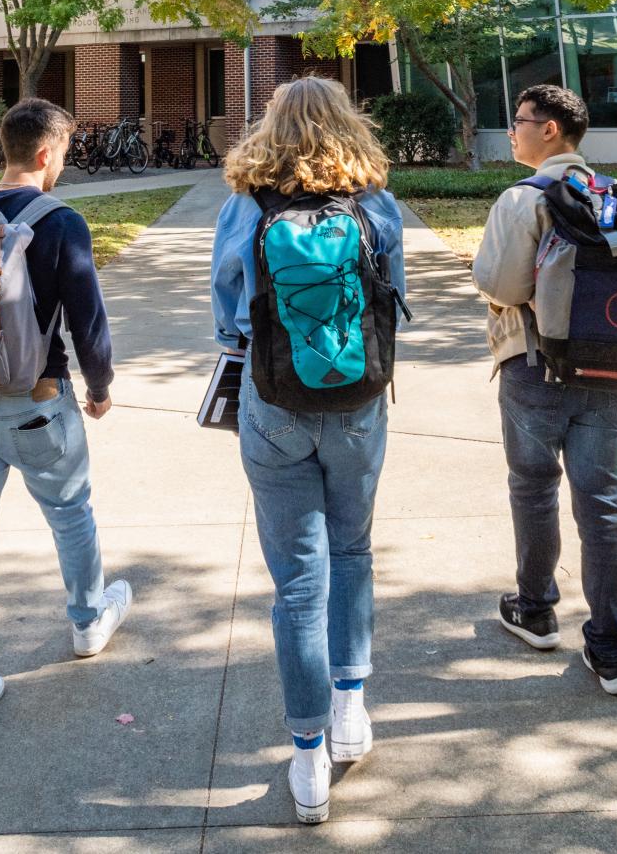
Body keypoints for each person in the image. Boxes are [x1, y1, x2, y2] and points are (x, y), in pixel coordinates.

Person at [211, 77, 405, 826]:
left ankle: (305, 756)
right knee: (351, 552)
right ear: (348, 126)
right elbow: (396, 302)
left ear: (269, 128)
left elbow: (227, 316)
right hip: (357, 404)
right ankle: (351, 707)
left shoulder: (244, 205)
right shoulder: (375, 203)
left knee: (297, 583)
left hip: (273, 403)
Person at [473, 83, 617, 697]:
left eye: (518, 121)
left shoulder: (524, 199)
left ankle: (537, 609)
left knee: (534, 487)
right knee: (603, 504)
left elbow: (499, 284)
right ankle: (611, 649)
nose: (511, 130)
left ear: (549, 130)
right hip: (616, 369)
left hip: (535, 367)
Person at [0, 97, 130, 732]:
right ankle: (88, 620)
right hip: (39, 406)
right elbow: (87, 319)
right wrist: (98, 387)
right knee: (71, 514)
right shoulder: (61, 222)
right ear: (46, 154)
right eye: (64, 154)